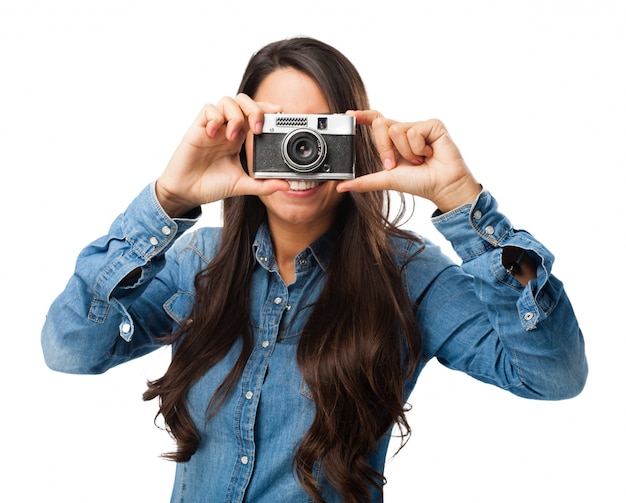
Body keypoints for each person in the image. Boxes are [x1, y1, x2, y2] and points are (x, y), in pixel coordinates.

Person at [41, 37, 587, 503]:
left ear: (357, 141)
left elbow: (553, 376)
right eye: (281, 130)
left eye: (320, 133)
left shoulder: (410, 276)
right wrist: (167, 201)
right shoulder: (194, 262)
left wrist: (465, 205)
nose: (303, 154)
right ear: (243, 139)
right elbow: (70, 349)